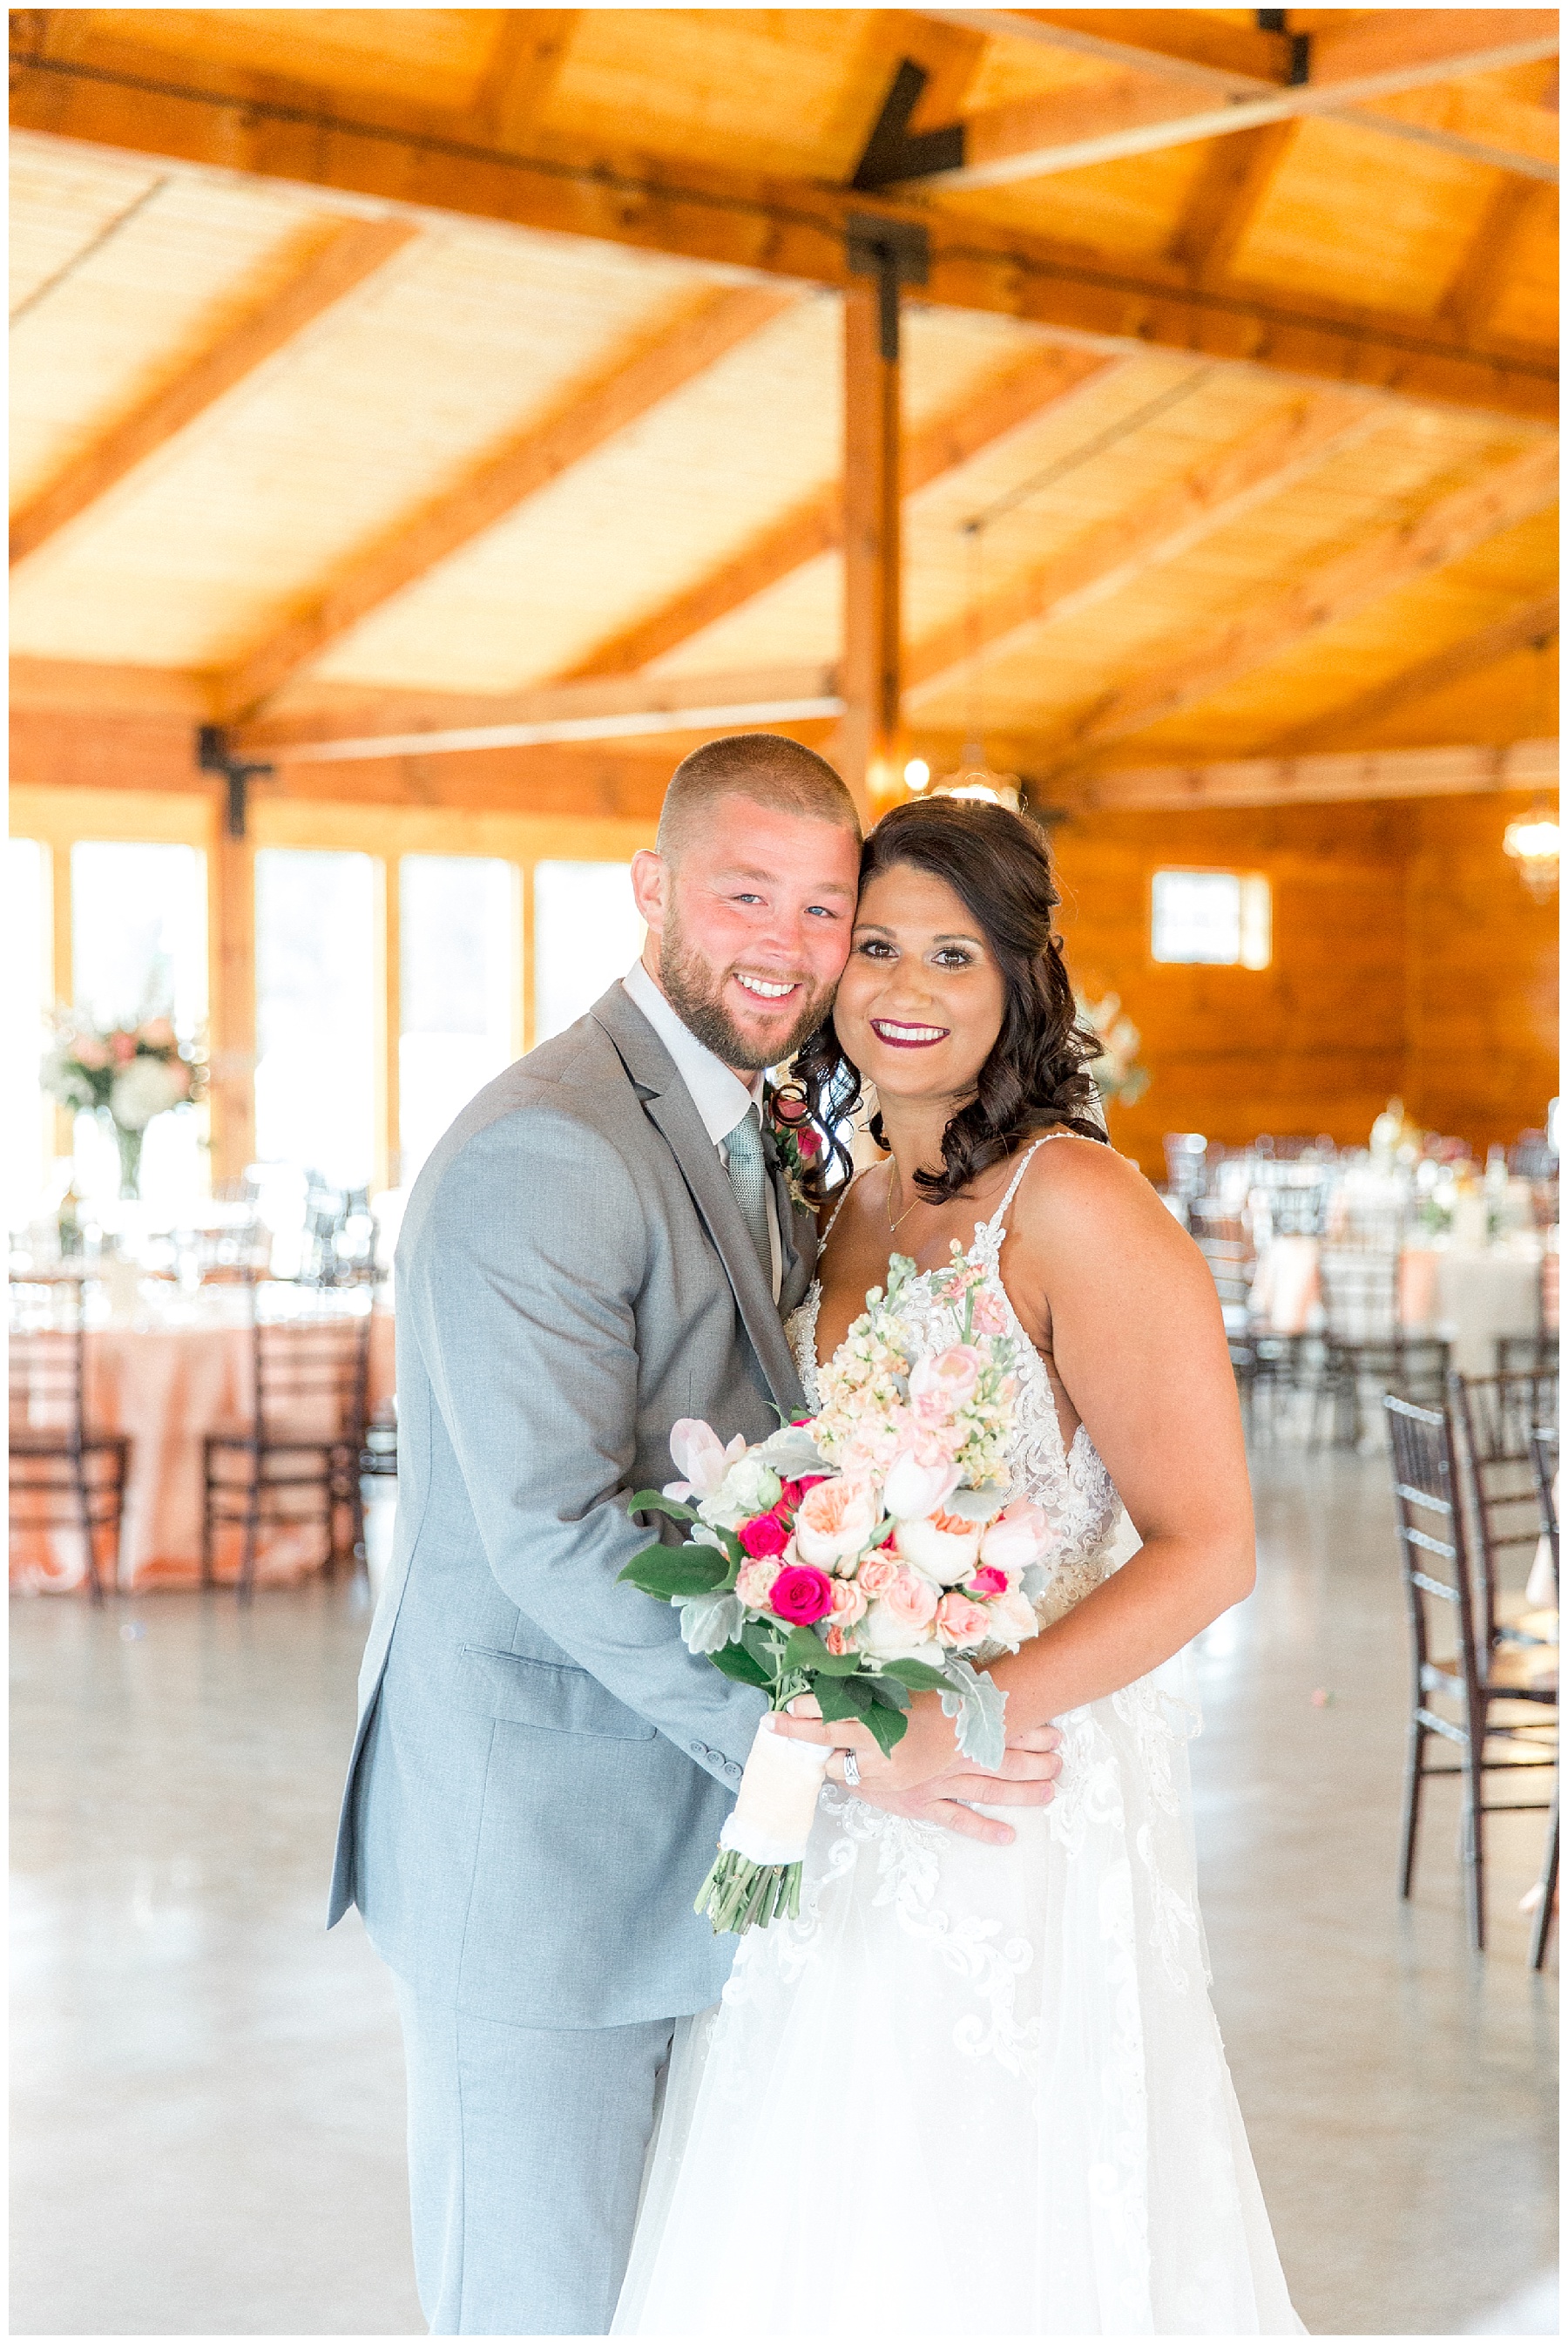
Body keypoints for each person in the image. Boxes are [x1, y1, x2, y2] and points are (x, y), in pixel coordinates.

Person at [328, 737, 1064, 2336]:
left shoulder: (756, 1115)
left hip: (684, 1843)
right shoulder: (551, 1147)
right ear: (652, 891)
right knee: (540, 2308)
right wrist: (847, 1747)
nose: (788, 946)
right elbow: (551, 1531)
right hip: (536, 1856)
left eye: (823, 908)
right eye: (746, 894)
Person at [614, 795, 1304, 2335]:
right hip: (851, 1790)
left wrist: (967, 1713)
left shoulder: (1080, 1206)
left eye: (953, 954)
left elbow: (1214, 1546)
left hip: (1014, 1794)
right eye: (874, 946)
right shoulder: (842, 1200)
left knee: (996, 2210)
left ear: (1017, 988)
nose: (905, 987)